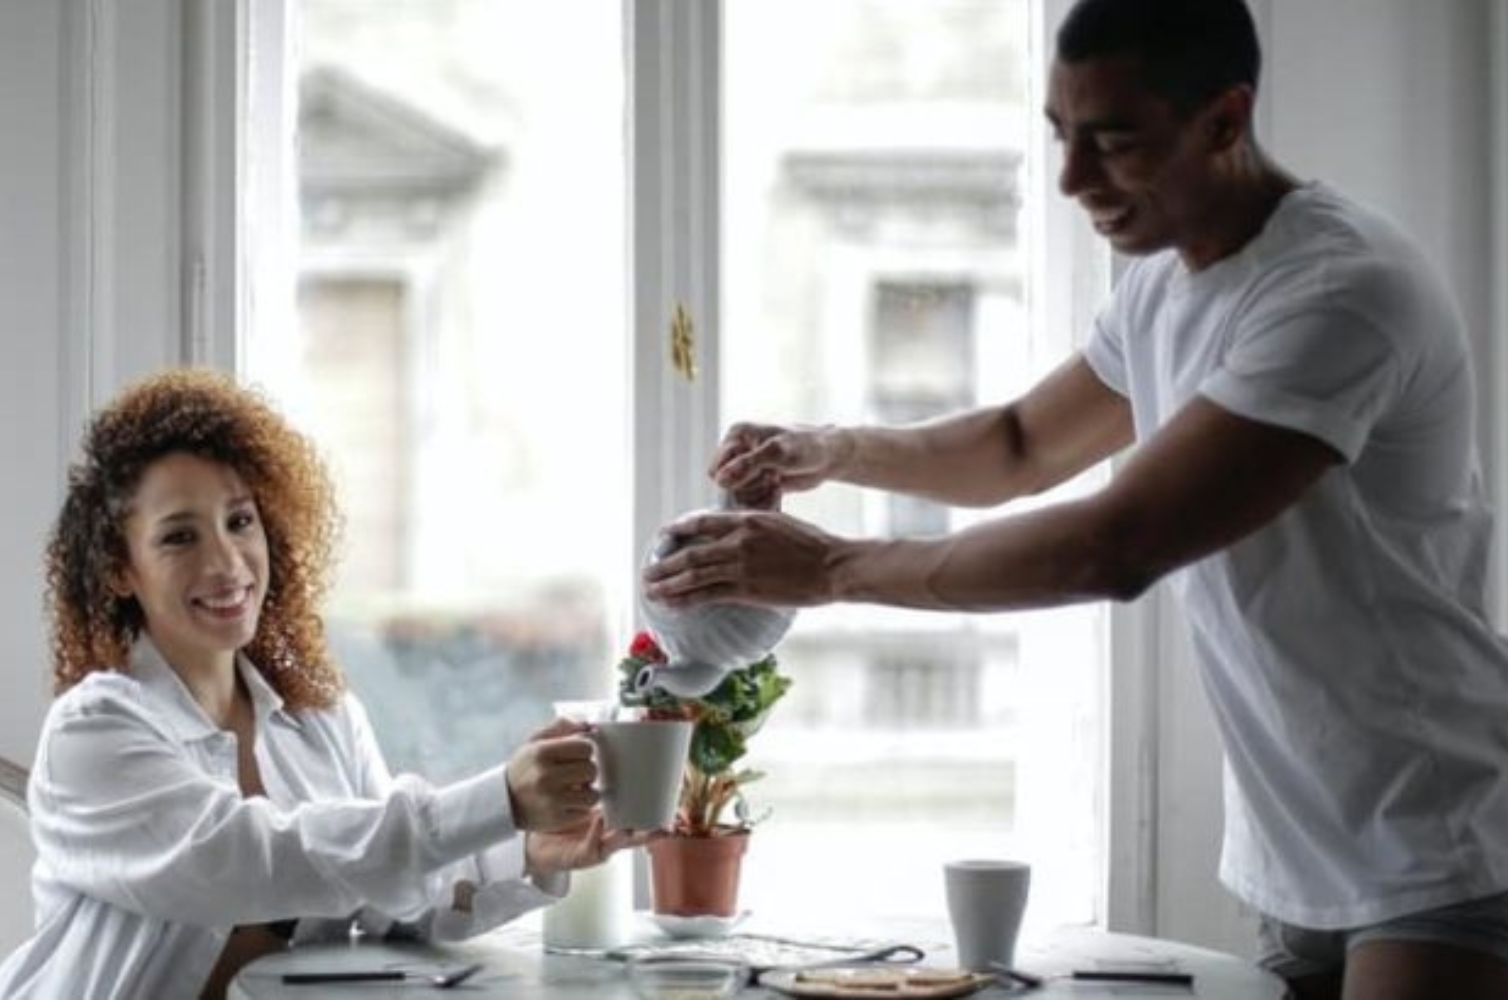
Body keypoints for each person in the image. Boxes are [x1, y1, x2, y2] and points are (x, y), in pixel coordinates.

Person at [642, 1, 1508, 998]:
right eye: (1061, 137)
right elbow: (1019, 445)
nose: (1071, 180)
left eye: (1114, 142)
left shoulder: (1338, 293)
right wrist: (831, 448)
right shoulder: (1161, 282)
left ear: (1225, 120)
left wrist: (833, 567)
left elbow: (1117, 541)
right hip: (1297, 847)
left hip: (1436, 833)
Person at [0, 368, 647, 999]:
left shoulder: (320, 716)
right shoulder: (92, 732)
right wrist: (501, 796)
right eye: (179, 538)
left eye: (240, 521)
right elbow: (257, 861)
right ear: (121, 571)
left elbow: (392, 894)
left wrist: (531, 852)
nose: (226, 562)